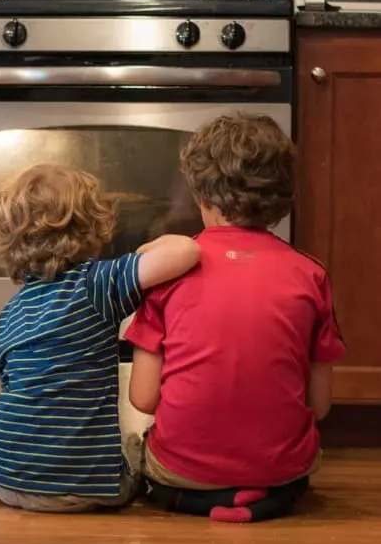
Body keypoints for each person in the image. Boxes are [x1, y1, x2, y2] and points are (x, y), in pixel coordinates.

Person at [0, 164, 200, 512]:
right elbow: (186, 251)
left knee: (19, 420)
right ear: (93, 225)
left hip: (12, 482)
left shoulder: (10, 313)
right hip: (91, 488)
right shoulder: (97, 284)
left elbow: (20, 392)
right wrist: (144, 250)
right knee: (135, 453)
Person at [125, 114, 346, 523]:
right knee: (296, 467)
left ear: (201, 195)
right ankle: (259, 497)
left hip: (182, 471)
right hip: (280, 470)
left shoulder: (167, 272)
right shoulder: (311, 275)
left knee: (136, 454)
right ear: (282, 196)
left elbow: (143, 398)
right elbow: (319, 405)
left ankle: (202, 500)